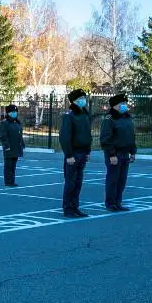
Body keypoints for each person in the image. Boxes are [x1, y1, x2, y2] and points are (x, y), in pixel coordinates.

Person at [100, 93, 136, 212]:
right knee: (113, 179)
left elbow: (131, 136)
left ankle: (118, 202)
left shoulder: (127, 117)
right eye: (122, 104)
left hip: (125, 153)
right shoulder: (109, 119)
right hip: (115, 154)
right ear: (115, 106)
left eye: (125, 103)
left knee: (122, 180)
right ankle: (110, 203)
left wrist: (133, 151)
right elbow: (106, 138)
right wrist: (111, 154)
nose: (125, 106)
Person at [59, 89, 92, 218]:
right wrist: (69, 155)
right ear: (74, 101)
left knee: (78, 183)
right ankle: (68, 208)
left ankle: (75, 207)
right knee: (70, 183)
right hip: (73, 154)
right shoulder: (69, 116)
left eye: (84, 97)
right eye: (81, 98)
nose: (83, 100)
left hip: (83, 153)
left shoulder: (85, 114)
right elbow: (65, 137)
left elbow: (87, 135)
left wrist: (88, 151)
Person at [0, 104, 25, 187]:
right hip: (9, 148)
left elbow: (19, 134)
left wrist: (22, 143)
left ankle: (12, 180)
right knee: (8, 165)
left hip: (16, 147)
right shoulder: (5, 123)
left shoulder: (17, 122)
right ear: (8, 113)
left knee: (13, 165)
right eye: (13, 112)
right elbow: (3, 136)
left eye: (16, 111)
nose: (15, 113)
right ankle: (8, 181)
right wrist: (6, 146)